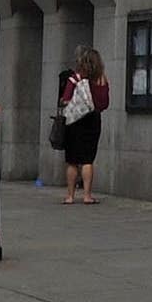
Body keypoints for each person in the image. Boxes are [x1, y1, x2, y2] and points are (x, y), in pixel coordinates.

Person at [56, 48, 110, 203]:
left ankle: (70, 196)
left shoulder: (75, 79)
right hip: (93, 120)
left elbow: (65, 100)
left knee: (72, 160)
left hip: (74, 122)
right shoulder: (102, 79)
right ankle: (87, 195)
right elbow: (104, 103)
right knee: (87, 159)